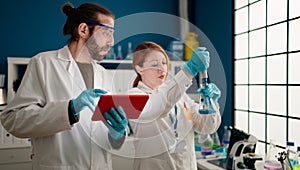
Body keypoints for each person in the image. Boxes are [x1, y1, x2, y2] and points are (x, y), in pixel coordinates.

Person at [0, 2, 129, 170]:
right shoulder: (44, 63)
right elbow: (13, 120)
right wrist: (70, 109)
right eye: (106, 33)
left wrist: (117, 133)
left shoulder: (104, 74)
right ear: (83, 30)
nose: (112, 42)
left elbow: (103, 137)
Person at [127, 42, 222, 170]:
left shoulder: (181, 97)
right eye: (154, 64)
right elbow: (158, 106)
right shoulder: (133, 97)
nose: (161, 68)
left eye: (164, 63)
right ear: (139, 68)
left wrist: (211, 104)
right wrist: (190, 69)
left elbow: (207, 127)